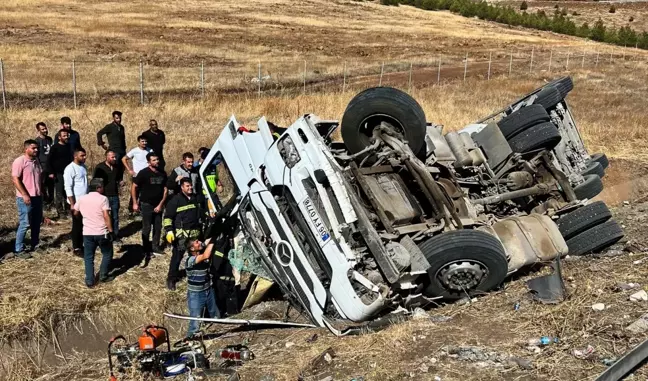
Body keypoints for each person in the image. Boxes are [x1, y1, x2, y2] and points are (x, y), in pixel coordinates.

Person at [73, 178, 114, 288]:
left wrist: (84, 217)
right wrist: (111, 230)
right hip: (101, 232)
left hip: (87, 232)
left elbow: (75, 212)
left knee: (89, 256)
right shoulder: (103, 199)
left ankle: (90, 280)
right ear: (98, 188)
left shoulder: (82, 198)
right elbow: (106, 215)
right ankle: (103, 275)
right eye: (102, 187)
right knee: (107, 253)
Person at [164, 178, 202, 290]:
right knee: (177, 257)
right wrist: (169, 230)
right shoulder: (175, 200)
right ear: (182, 187)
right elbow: (168, 217)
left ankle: (195, 275)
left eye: (191, 186)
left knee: (195, 257)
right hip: (181, 236)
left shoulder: (196, 198)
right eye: (187, 186)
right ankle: (171, 279)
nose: (190, 188)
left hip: (195, 234)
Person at [132, 152, 167, 259]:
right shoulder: (143, 173)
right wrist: (134, 202)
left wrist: (161, 204)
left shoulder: (162, 173)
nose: (156, 162)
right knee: (147, 227)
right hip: (146, 204)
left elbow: (165, 189)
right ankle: (146, 249)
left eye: (157, 159)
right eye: (154, 160)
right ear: (148, 162)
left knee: (158, 226)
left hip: (158, 204)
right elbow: (134, 187)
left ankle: (155, 247)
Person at [12, 140, 43, 257]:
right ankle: (19, 249)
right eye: (33, 148)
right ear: (26, 149)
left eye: (37, 148)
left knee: (36, 222)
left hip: (37, 196)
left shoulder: (36, 161)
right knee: (25, 223)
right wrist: (24, 194)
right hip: (25, 198)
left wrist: (41, 193)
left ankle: (35, 244)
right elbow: (15, 179)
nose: (36, 150)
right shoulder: (20, 161)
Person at [184, 238, 221, 337]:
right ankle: (191, 338)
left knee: (215, 313)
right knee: (195, 320)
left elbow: (205, 243)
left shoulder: (199, 249)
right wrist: (213, 241)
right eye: (196, 242)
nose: (200, 242)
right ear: (192, 248)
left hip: (208, 290)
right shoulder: (190, 260)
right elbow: (206, 255)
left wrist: (214, 234)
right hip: (196, 294)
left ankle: (216, 331)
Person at [93, 150, 123, 240]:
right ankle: (104, 235)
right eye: (112, 157)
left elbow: (118, 178)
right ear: (106, 157)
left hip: (114, 195)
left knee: (115, 217)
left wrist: (120, 182)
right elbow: (96, 182)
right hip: (104, 196)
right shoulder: (100, 167)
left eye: (115, 157)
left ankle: (115, 235)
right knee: (104, 217)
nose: (114, 158)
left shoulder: (117, 167)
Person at [64, 148, 88, 256]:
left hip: (85, 201)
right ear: (75, 156)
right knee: (77, 225)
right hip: (76, 202)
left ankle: (82, 244)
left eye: (85, 155)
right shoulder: (70, 169)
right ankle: (76, 247)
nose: (84, 157)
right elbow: (68, 187)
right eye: (82, 155)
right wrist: (72, 204)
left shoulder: (83, 167)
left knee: (84, 224)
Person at [47, 129, 74, 219]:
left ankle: (68, 210)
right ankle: (60, 212)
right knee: (59, 193)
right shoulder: (54, 147)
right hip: (58, 173)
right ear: (59, 137)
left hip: (68, 173)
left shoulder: (69, 146)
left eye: (67, 135)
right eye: (64, 136)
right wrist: (51, 172)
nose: (66, 137)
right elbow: (49, 161)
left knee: (68, 192)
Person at [97, 110, 127, 177]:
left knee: (122, 167)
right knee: (115, 166)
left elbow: (123, 139)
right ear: (113, 118)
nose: (119, 120)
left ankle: (120, 181)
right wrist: (101, 144)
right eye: (117, 118)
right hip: (114, 150)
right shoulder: (109, 126)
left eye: (120, 118)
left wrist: (124, 148)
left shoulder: (122, 127)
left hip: (122, 150)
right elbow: (99, 133)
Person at [35, 122, 54, 209]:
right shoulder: (37, 141)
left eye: (45, 128)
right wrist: (39, 167)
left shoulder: (49, 139)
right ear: (38, 130)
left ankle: (51, 201)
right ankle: (44, 202)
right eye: (42, 129)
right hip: (42, 166)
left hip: (50, 166)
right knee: (42, 185)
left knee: (51, 185)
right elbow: (36, 156)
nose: (45, 130)